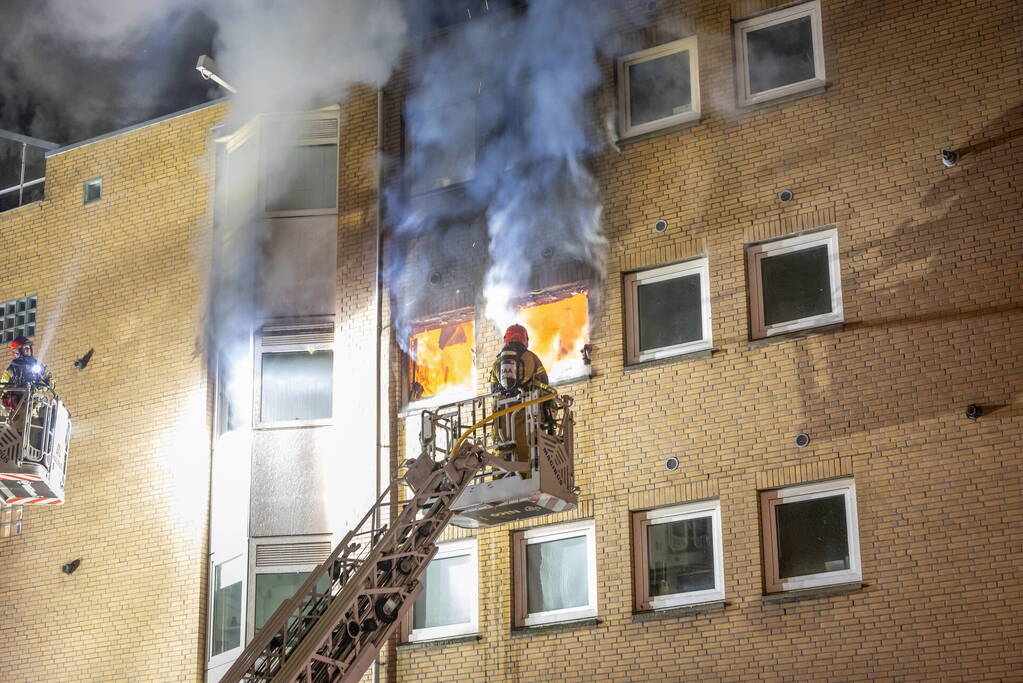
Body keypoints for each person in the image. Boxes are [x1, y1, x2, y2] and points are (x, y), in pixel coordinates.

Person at [487, 324, 552, 477]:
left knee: (499, 448)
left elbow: (493, 390)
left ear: (506, 339)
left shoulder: (497, 363)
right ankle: (525, 477)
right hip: (526, 412)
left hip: (501, 416)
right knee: (525, 447)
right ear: (525, 340)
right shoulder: (531, 358)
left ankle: (498, 479)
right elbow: (545, 383)